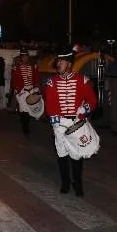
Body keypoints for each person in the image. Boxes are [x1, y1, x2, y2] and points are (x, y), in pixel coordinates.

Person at [45, 46, 97, 197]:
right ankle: (65, 182)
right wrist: (55, 123)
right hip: (59, 123)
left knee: (77, 154)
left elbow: (92, 100)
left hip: (76, 123)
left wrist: (84, 109)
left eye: (61, 61)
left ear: (68, 63)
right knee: (61, 154)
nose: (58, 64)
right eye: (58, 61)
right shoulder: (51, 82)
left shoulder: (82, 80)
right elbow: (50, 105)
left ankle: (78, 183)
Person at [11, 47, 41, 135]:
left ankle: (26, 124)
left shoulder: (33, 66)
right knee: (23, 110)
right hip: (22, 91)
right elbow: (14, 78)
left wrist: (37, 86)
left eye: (26, 56)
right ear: (21, 57)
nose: (25, 58)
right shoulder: (16, 67)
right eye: (23, 56)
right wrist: (17, 89)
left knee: (29, 109)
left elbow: (36, 77)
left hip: (31, 90)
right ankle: (25, 127)